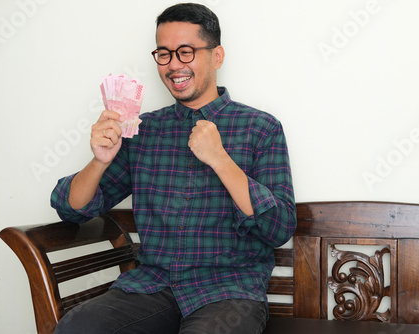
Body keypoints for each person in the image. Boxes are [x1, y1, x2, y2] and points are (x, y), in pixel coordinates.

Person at [51, 3, 296, 334]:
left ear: (217, 56)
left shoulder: (261, 127)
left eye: (186, 52)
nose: (173, 65)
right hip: (153, 286)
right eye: (164, 54)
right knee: (77, 328)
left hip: (228, 291)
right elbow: (72, 209)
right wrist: (99, 161)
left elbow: (278, 228)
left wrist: (221, 159)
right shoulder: (143, 130)